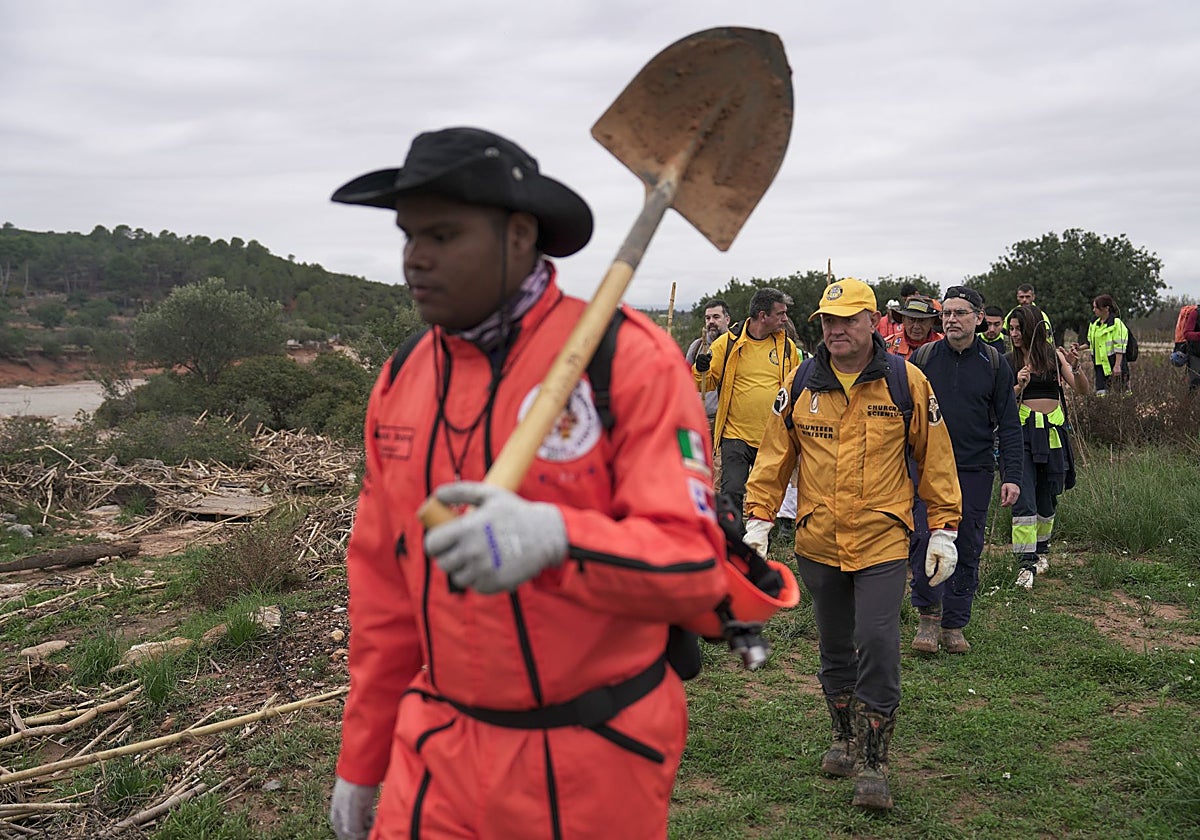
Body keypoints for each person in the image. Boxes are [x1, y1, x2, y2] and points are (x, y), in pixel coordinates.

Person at [326, 127, 729, 840]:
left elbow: (696, 571)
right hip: (435, 756)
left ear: (519, 235)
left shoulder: (630, 362)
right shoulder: (402, 376)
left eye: (442, 235)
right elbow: (383, 591)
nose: (414, 259)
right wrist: (362, 758)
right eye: (408, 235)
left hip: (591, 763)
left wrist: (556, 538)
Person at [741, 278, 961, 811]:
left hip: (883, 539)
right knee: (835, 645)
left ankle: (875, 760)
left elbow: (934, 455)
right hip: (818, 539)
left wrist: (946, 527)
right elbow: (774, 458)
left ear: (870, 322)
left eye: (848, 320)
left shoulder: (906, 382)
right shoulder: (801, 383)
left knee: (878, 643)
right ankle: (843, 737)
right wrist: (757, 522)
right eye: (828, 322)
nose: (837, 330)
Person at [907, 286, 1023, 654]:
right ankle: (928, 618)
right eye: (947, 314)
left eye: (960, 313)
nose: (952, 320)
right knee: (924, 539)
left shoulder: (994, 362)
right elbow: (904, 417)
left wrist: (1013, 476)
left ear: (978, 316)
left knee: (968, 545)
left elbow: (1008, 423)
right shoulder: (923, 359)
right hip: (926, 468)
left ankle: (954, 625)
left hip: (974, 468)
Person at [693, 287, 801, 524]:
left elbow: (795, 385)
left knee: (764, 499)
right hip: (735, 435)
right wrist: (701, 369)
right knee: (732, 492)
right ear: (763, 315)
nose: (785, 319)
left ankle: (759, 545)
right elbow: (706, 382)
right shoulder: (727, 344)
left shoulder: (787, 348)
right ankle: (733, 543)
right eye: (781, 313)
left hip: (771, 436)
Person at [1007, 304, 1084, 589]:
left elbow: (1082, 388)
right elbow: (1001, 401)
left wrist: (1075, 366)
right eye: (1011, 329)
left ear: (1031, 328)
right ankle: (1024, 564)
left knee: (1048, 495)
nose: (1013, 334)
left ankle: (1041, 551)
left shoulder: (1054, 358)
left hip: (1053, 433)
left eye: (1018, 328)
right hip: (1022, 435)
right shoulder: (1009, 361)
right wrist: (1017, 386)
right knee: (1023, 497)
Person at [1077, 294, 1130, 396]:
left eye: (1096, 307)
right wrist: (1078, 348)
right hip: (1100, 365)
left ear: (1106, 308)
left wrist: (1117, 366)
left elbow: (1120, 346)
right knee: (1101, 394)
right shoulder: (1094, 324)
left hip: (1114, 363)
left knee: (1122, 394)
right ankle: (1103, 411)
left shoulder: (1116, 324)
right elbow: (1090, 343)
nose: (1094, 310)